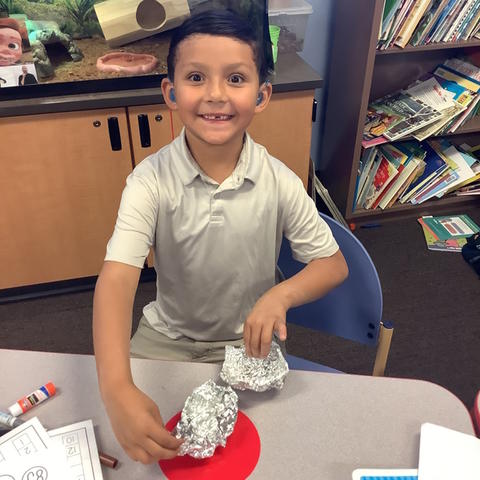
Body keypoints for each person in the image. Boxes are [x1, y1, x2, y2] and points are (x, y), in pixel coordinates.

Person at [93, 9, 348, 465]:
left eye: (235, 78)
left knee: (275, 454)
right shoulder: (148, 181)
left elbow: (333, 265)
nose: (215, 95)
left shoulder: (279, 180)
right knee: (133, 441)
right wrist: (115, 389)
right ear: (171, 93)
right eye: (196, 77)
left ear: (262, 94)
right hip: (166, 336)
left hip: (248, 343)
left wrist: (279, 297)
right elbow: (116, 281)